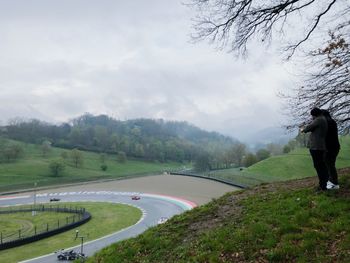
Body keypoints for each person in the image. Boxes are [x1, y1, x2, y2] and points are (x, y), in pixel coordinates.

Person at [301, 107, 329, 191]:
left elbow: (308, 128)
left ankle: (323, 185)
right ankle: (324, 183)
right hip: (320, 146)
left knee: (318, 166)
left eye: (312, 116)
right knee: (321, 165)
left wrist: (302, 129)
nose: (312, 118)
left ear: (314, 115)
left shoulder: (319, 119)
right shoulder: (322, 119)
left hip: (316, 147)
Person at [322, 109, 341, 189]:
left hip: (330, 147)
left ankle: (334, 182)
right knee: (331, 164)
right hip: (335, 146)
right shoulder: (332, 121)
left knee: (330, 165)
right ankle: (332, 180)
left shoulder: (327, 122)